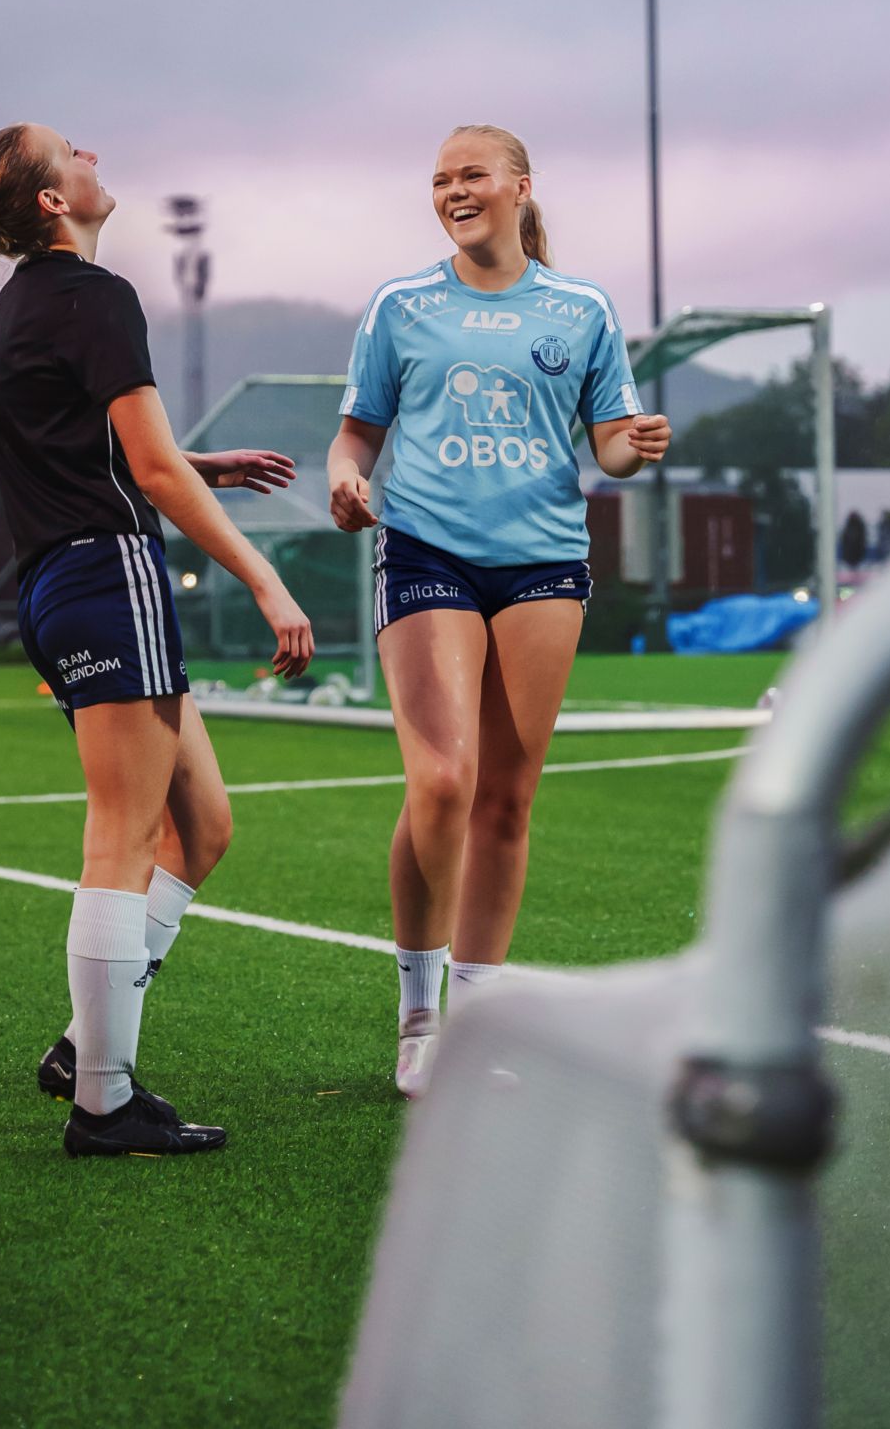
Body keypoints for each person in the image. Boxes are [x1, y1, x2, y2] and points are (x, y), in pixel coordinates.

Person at [0, 124, 313, 1157]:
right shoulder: (97, 297)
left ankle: (79, 1049)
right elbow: (143, 474)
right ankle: (102, 1102)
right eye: (70, 149)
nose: (90, 152)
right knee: (124, 838)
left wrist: (200, 463)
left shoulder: (25, 304)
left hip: (63, 585)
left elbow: (96, 443)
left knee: (203, 829)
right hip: (108, 576)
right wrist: (264, 574)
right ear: (52, 200)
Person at [327, 124, 670, 1097]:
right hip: (427, 550)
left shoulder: (581, 306)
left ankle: (477, 1024)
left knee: (506, 800)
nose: (451, 190)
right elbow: (352, 438)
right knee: (441, 781)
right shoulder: (399, 305)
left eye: (469, 174)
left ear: (519, 186)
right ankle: (419, 1011)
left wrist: (630, 446)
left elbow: (603, 447)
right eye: (439, 179)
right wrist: (347, 482)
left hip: (543, 568)